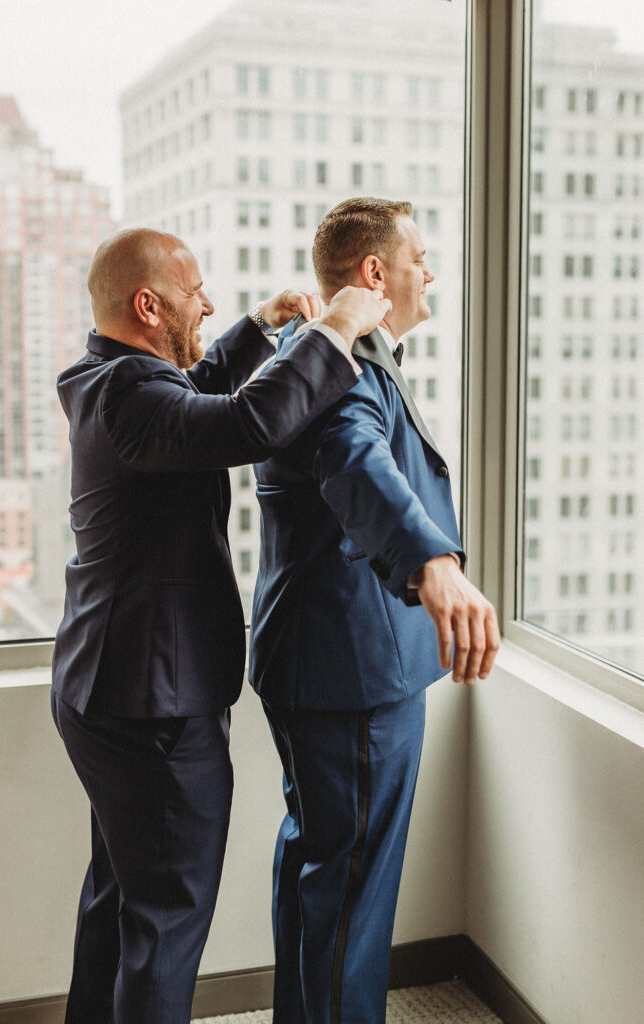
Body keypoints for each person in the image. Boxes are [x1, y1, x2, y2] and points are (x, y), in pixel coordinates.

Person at [50, 227, 391, 1024]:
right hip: (152, 707)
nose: (206, 301)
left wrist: (257, 329)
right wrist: (332, 328)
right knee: (167, 921)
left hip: (103, 689)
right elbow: (242, 424)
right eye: (193, 289)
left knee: (122, 900)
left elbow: (194, 393)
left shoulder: (108, 377)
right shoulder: (132, 394)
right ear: (146, 304)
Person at [249, 198, 500, 1024]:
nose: (429, 272)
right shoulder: (341, 364)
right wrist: (431, 562)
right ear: (373, 274)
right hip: (348, 667)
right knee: (349, 888)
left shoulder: (315, 353)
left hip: (322, 659)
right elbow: (355, 460)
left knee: (321, 865)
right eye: (419, 257)